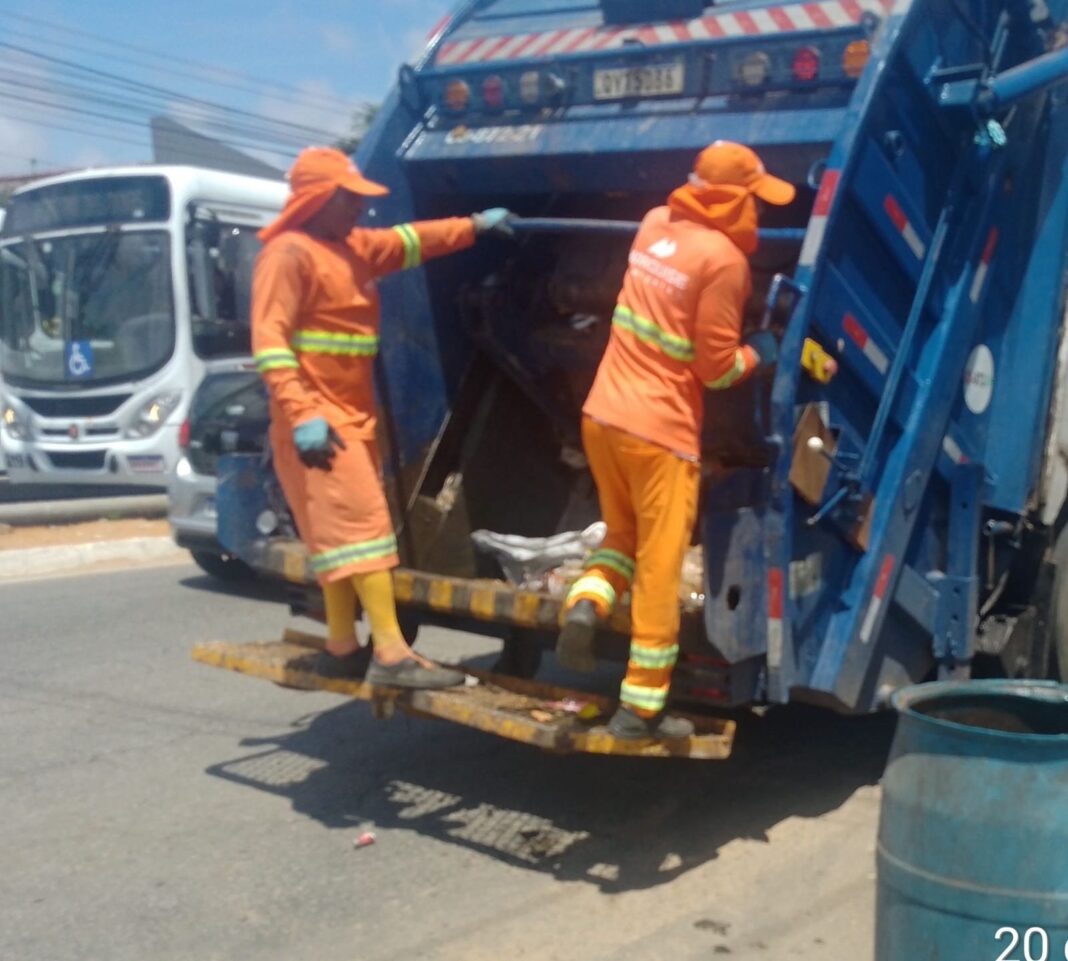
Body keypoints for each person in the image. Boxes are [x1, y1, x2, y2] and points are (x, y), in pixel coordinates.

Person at [557, 140, 795, 739]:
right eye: (755, 202)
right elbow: (715, 369)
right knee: (660, 568)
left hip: (602, 415)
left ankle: (585, 603)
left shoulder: (654, 223)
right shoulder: (725, 263)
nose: (761, 215)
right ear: (736, 199)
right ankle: (640, 709)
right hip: (658, 433)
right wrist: (760, 354)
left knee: (621, 537)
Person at [251, 146, 512, 689]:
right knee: (366, 534)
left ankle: (342, 647)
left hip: (348, 417)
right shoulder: (288, 255)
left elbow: (409, 242)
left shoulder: (353, 249)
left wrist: (474, 226)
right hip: (318, 424)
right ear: (318, 200)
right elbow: (270, 343)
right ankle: (391, 654)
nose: (357, 208)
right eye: (347, 198)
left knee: (338, 541)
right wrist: (302, 415)